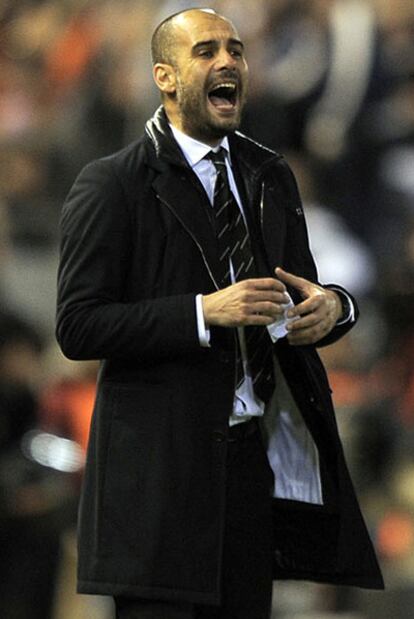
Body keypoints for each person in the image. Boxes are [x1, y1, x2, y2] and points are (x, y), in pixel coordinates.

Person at [56, 8, 383, 619]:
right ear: (166, 76)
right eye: (206, 51)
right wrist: (204, 312)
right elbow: (78, 325)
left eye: (235, 49)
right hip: (163, 475)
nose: (228, 61)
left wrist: (336, 308)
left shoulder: (269, 173)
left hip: (249, 469)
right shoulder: (112, 184)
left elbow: (303, 290)